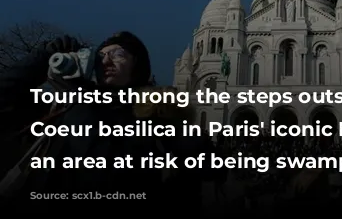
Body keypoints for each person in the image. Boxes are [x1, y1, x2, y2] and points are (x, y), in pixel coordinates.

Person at [0, 32, 204, 213]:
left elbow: (103, 175)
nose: (106, 61)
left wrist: (79, 98)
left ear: (138, 65)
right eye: (100, 56)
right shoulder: (64, 108)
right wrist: (42, 57)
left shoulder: (155, 119)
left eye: (118, 54)